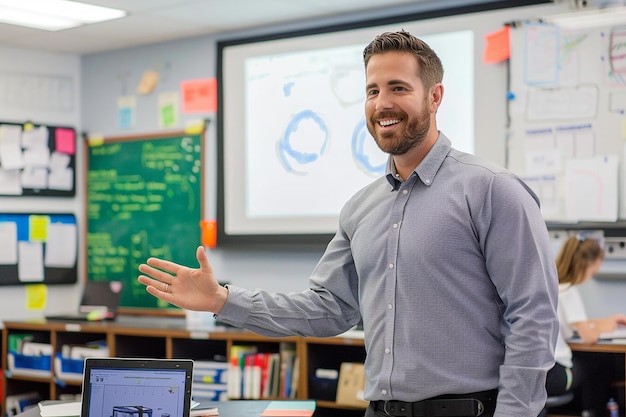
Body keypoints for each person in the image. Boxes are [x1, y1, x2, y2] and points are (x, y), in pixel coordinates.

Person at [138, 30, 559, 417]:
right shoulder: (361, 208)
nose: (383, 104)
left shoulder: (492, 191)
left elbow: (534, 317)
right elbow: (327, 309)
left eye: (399, 88)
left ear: (435, 97)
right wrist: (223, 301)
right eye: (373, 90)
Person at [546, 235, 626, 417]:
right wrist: (602, 328)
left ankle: (587, 410)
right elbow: (589, 337)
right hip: (557, 376)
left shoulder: (555, 287)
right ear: (585, 265)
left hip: (544, 372)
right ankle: (594, 412)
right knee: (603, 364)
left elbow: (572, 324)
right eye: (592, 272)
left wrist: (605, 322)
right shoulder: (570, 291)